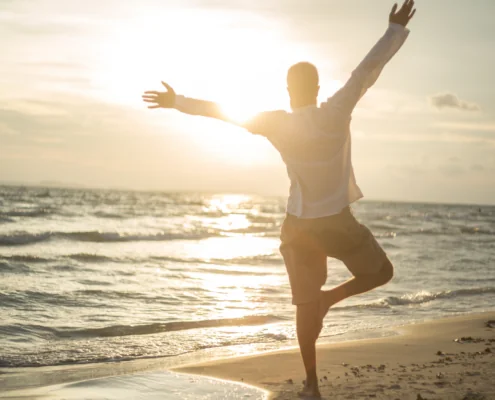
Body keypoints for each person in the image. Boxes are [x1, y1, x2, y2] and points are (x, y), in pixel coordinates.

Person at [142, 1, 416, 397]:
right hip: (337, 222)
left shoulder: (276, 122)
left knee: (305, 306)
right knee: (381, 273)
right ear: (317, 89)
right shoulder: (336, 110)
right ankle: (330, 301)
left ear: (289, 91)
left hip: (299, 225)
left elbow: (223, 113)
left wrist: (177, 101)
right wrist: (393, 29)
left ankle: (312, 385)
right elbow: (366, 72)